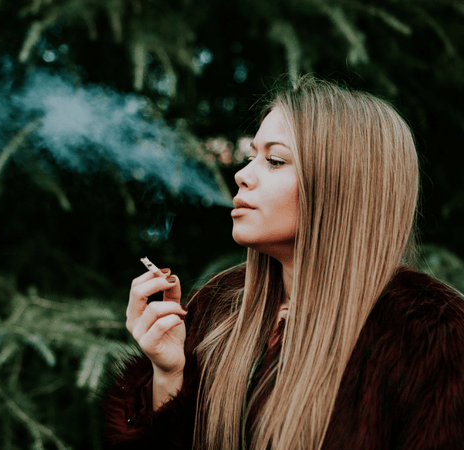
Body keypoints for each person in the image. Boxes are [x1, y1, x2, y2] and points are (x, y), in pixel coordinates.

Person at [102, 76, 464, 450]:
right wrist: (168, 374)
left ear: (342, 184)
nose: (242, 176)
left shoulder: (435, 340)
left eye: (274, 161)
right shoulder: (214, 313)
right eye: (250, 156)